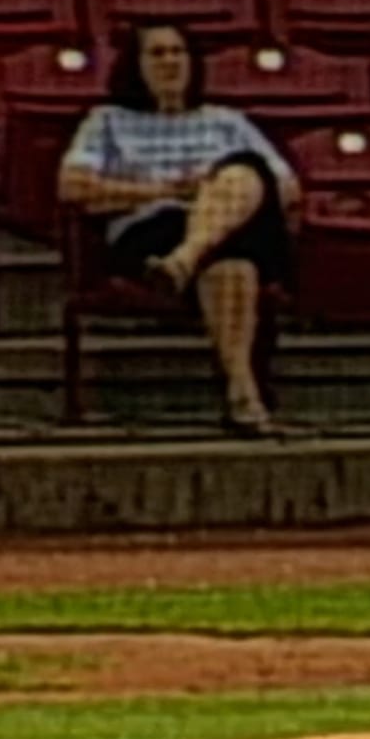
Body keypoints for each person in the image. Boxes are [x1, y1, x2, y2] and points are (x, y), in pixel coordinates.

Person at [56, 23, 299, 434]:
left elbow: (287, 187)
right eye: (158, 54)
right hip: (152, 227)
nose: (170, 62)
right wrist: (164, 189)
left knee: (243, 170)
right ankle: (244, 395)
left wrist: (211, 191)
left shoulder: (226, 121)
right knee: (233, 268)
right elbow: (72, 186)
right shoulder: (108, 121)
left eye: (178, 53)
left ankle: (182, 262)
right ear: (136, 65)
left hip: (228, 225)